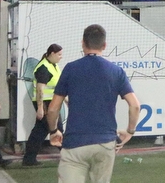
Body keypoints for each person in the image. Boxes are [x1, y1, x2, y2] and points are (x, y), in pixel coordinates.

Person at [46, 24, 140, 183]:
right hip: (105, 143)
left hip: (75, 142)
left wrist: (54, 130)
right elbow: (135, 105)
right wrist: (130, 131)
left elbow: (53, 108)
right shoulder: (116, 71)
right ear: (104, 45)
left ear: (82, 43)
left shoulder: (70, 69)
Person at [22, 43, 64, 166]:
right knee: (48, 130)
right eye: (59, 54)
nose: (61, 57)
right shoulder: (44, 68)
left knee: (48, 130)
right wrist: (40, 108)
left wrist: (66, 100)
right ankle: (68, 156)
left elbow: (58, 87)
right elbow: (40, 89)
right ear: (52, 54)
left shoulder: (53, 66)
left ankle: (29, 158)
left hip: (51, 102)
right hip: (45, 103)